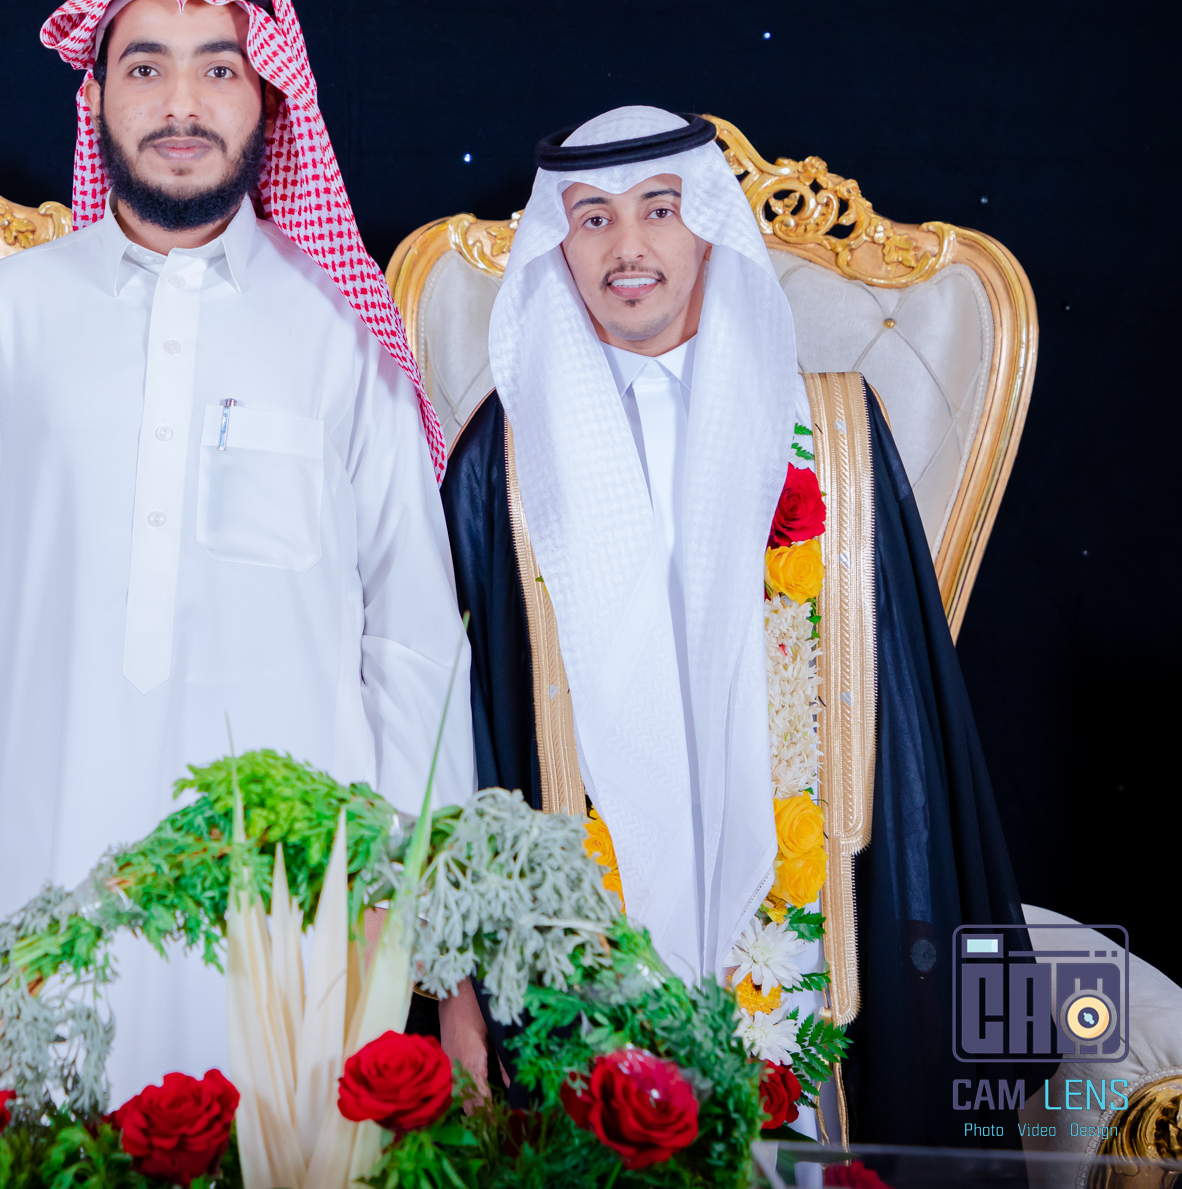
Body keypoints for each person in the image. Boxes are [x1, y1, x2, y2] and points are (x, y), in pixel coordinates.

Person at [0, 0, 479, 1104]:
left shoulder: (340, 328)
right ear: (95, 97)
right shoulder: (8, 314)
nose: (181, 104)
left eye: (217, 70)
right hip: (44, 857)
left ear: (265, 96)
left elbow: (413, 637)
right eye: (145, 68)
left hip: (292, 886)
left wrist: (408, 886)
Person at [441, 105, 1037, 1144]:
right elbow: (463, 728)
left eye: (660, 210)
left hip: (805, 930)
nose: (627, 248)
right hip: (587, 933)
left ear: (709, 227)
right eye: (592, 218)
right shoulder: (506, 457)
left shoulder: (832, 435)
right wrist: (458, 988)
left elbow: (905, 718)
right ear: (558, 247)